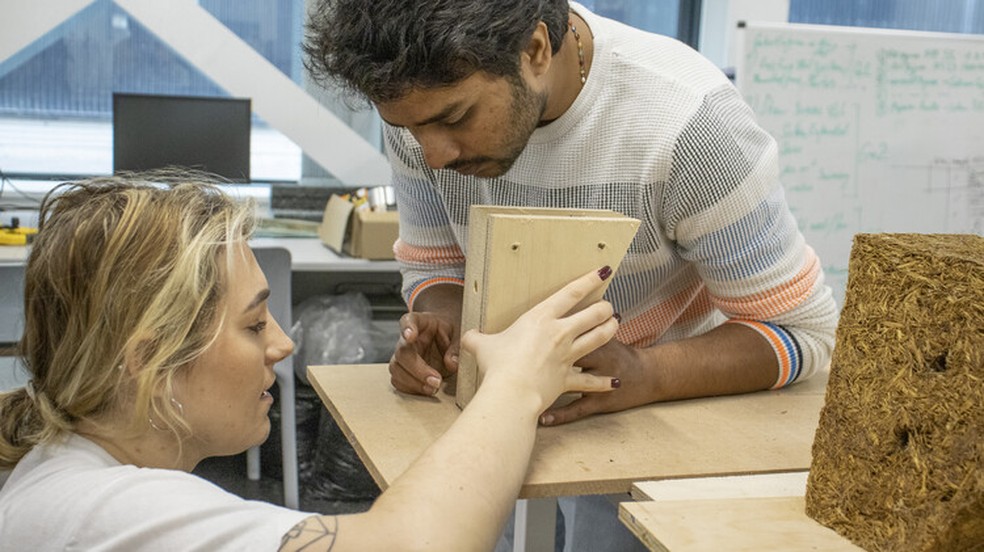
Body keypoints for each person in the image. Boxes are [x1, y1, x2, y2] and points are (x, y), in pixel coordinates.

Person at [303, 0, 839, 550]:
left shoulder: (690, 128)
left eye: (455, 118)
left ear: (535, 49)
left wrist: (649, 374)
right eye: (406, 128)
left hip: (657, 420)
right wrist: (441, 322)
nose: (433, 155)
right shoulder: (424, 113)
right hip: (503, 413)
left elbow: (804, 331)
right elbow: (435, 262)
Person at [0, 172, 621, 551]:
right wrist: (515, 385)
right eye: (252, 324)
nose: (282, 344)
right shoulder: (103, 515)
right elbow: (415, 545)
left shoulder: (66, 476)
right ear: (147, 361)